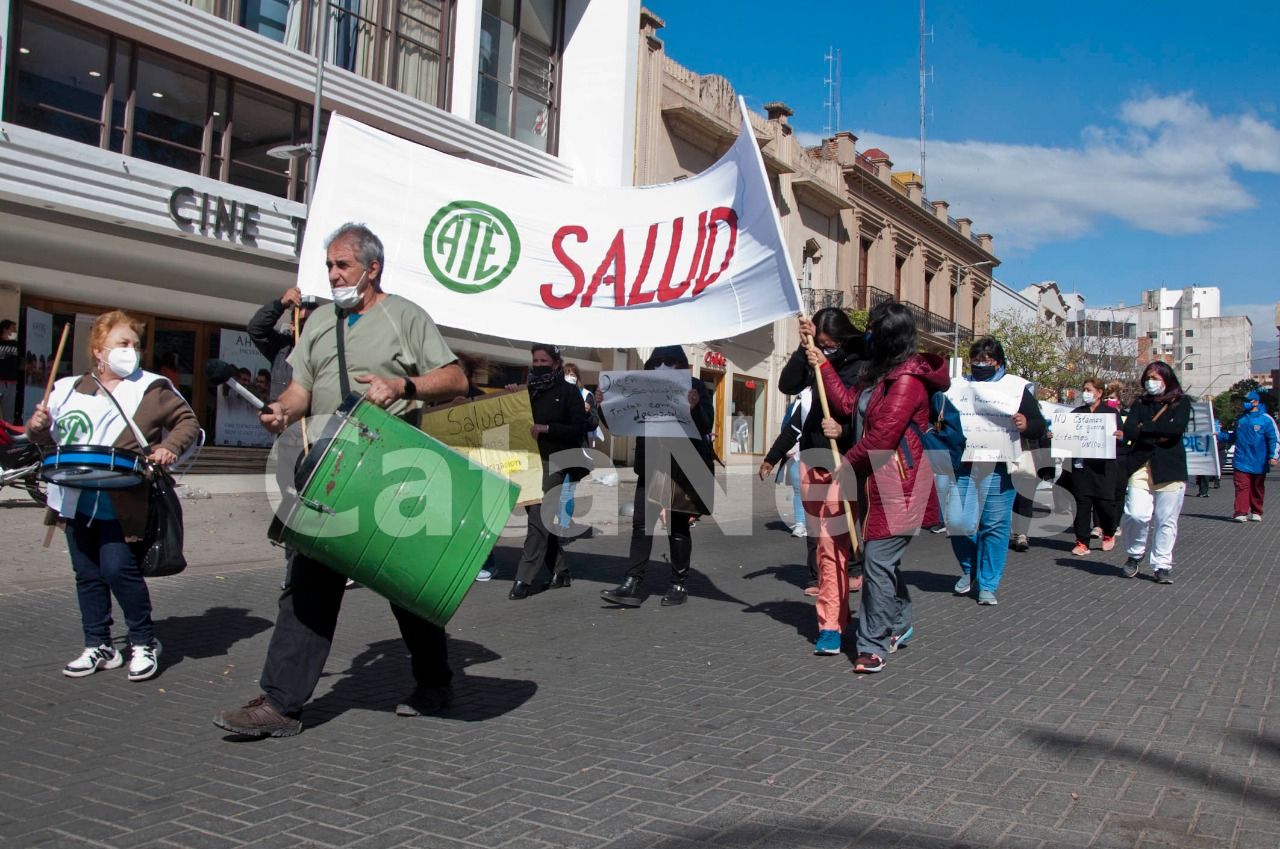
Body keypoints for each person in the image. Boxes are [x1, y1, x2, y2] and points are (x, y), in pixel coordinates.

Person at [214, 222, 468, 737]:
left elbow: (456, 378)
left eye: (342, 265)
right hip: (328, 473)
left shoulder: (405, 317)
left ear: (372, 268)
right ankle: (282, 705)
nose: (332, 275)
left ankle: (434, 682)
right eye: (329, 266)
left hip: (392, 473)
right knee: (307, 583)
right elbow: (302, 389)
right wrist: (281, 411)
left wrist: (404, 384)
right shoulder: (319, 322)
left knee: (407, 589)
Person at [25, 310, 199, 681]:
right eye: (122, 344)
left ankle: (144, 641)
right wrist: (36, 426)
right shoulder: (69, 388)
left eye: (135, 345)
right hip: (74, 496)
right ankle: (99, 645)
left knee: (118, 568)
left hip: (125, 499)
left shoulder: (152, 387)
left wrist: (169, 447)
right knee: (86, 572)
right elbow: (47, 439)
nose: (131, 351)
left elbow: (188, 422)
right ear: (98, 350)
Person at [814, 301, 949, 672]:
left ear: (890, 336)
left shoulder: (906, 381)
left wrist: (846, 463)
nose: (868, 335)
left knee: (876, 561)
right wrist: (822, 364)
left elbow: (883, 435)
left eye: (874, 329)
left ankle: (872, 644)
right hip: (872, 481)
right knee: (882, 562)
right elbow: (845, 405)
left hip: (899, 484)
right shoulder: (877, 376)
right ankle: (901, 622)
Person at [598, 345, 714, 607]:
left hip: (683, 466)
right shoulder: (641, 385)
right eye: (658, 361)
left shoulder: (695, 386)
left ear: (682, 365)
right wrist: (603, 408)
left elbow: (707, 425)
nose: (663, 366)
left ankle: (678, 583)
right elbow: (621, 422)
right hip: (651, 463)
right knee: (641, 525)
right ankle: (632, 583)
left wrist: (695, 407)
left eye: (670, 361)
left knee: (677, 528)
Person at [778, 309, 865, 651]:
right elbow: (788, 384)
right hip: (814, 455)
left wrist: (844, 430)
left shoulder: (863, 363)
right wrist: (804, 348)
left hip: (846, 460)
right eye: (821, 344)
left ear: (844, 340)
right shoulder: (812, 354)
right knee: (826, 544)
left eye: (830, 345)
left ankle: (844, 621)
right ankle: (834, 619)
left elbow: (865, 410)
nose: (826, 350)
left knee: (837, 546)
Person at [942, 337, 1046, 606]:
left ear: (998, 362)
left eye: (986, 360)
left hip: (998, 466)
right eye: (975, 360)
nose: (980, 365)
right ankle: (971, 568)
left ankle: (988, 583)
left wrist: (1026, 424)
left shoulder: (1016, 388)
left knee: (994, 525)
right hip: (963, 464)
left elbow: (1038, 424)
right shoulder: (957, 386)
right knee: (958, 522)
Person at [508, 344, 588, 600]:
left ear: (556, 363)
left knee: (538, 517)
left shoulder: (569, 392)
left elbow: (578, 428)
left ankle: (524, 576)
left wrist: (548, 428)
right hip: (528, 460)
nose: (539, 364)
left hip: (555, 461)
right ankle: (561, 570)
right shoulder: (527, 391)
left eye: (544, 360)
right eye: (535, 360)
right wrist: (509, 398)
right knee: (539, 518)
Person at [1119, 362, 1191, 583]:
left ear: (1167, 379)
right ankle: (1135, 553)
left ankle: (1162, 565)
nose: (1152, 382)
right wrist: (1152, 431)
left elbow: (1175, 430)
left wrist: (1145, 428)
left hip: (1170, 467)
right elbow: (1130, 429)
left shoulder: (1181, 402)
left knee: (1165, 519)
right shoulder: (1140, 402)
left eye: (1157, 378)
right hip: (1141, 465)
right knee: (1136, 514)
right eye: (1149, 377)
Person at [1061, 377, 1121, 555]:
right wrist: (1057, 435)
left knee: (1105, 505)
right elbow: (1067, 436)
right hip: (1081, 467)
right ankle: (1082, 542)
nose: (1085, 393)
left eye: (1089, 390)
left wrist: (1120, 436)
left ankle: (1109, 532)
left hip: (1103, 468)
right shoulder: (1077, 413)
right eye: (1084, 389)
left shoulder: (1111, 414)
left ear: (1099, 393)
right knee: (1081, 505)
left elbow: (1123, 439)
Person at [247, 286, 319, 400]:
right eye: (303, 321)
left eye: (312, 322)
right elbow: (256, 329)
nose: (307, 326)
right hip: (283, 415)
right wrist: (281, 304)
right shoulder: (282, 348)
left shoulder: (326, 351)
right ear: (293, 324)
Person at [1225, 390, 1279, 522]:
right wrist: (1219, 436)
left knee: (1257, 488)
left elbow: (1274, 439)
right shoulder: (1240, 419)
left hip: (1259, 461)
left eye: (1247, 400)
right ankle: (1240, 512)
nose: (1244, 404)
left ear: (1256, 402)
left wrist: (1274, 456)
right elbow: (1233, 437)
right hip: (1241, 459)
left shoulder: (1266, 419)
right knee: (1241, 486)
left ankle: (1256, 511)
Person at [557, 362, 597, 531]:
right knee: (556, 491)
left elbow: (593, 424)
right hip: (555, 448)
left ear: (578, 378)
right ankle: (562, 522)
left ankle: (563, 526)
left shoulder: (586, 395)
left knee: (566, 490)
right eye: (566, 373)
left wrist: (586, 413)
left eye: (573, 374)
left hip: (575, 450)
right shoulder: (555, 393)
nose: (570, 376)